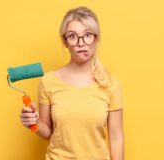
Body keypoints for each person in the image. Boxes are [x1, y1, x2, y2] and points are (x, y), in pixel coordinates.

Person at [20, 6, 124, 160]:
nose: (81, 43)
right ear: (65, 42)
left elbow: (116, 136)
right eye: (73, 36)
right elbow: (48, 131)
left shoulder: (110, 84)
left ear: (96, 39)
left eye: (87, 35)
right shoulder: (48, 82)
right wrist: (34, 124)